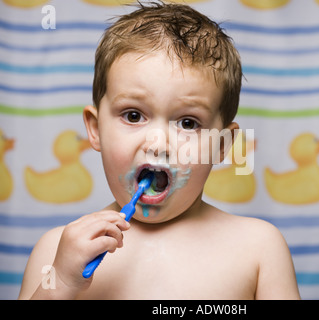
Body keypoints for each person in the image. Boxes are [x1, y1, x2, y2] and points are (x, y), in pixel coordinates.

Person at [18, 1, 300, 300]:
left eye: (188, 123)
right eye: (134, 115)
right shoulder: (55, 251)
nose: (158, 144)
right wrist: (61, 282)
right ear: (96, 129)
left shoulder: (258, 248)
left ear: (221, 145)